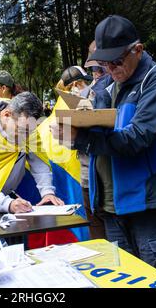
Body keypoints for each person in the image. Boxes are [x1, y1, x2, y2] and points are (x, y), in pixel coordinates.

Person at [51, 15, 156, 269]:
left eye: (117, 62)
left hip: (148, 207)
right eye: (104, 64)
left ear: (138, 50)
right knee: (122, 280)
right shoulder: (108, 85)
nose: (111, 70)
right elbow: (97, 128)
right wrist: (74, 129)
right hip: (111, 206)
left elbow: (137, 138)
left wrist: (83, 139)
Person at [55, 66, 106, 240]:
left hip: (92, 176)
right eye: (87, 79)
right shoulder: (69, 104)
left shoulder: (94, 96)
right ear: (77, 83)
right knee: (100, 230)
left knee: (99, 229)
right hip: (88, 176)